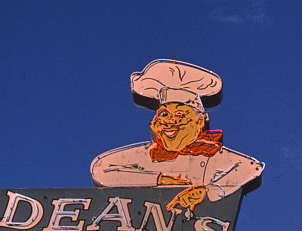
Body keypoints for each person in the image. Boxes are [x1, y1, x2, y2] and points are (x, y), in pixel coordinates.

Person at [90, 59, 264, 210]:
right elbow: (101, 169)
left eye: (180, 115)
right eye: (164, 114)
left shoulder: (215, 155)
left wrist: (210, 190)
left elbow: (251, 167)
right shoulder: (145, 155)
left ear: (200, 120)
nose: (169, 121)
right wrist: (161, 180)